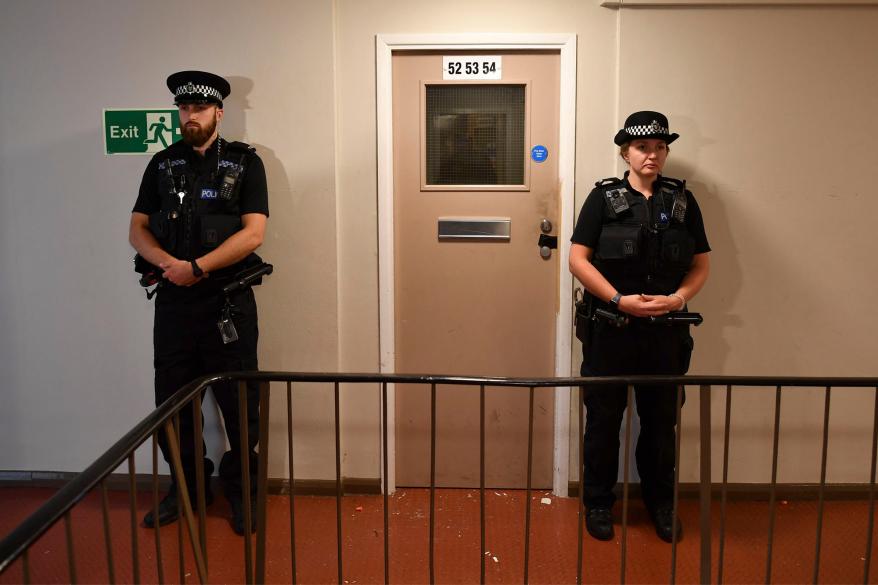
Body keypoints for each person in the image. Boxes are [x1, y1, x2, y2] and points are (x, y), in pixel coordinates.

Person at [128, 70, 269, 535]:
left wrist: (199, 267)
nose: (191, 116)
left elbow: (253, 233)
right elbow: (137, 230)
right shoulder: (162, 164)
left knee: (239, 407)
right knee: (173, 405)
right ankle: (186, 488)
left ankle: (242, 491)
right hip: (173, 307)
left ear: (219, 112)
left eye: (200, 109)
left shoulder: (246, 164)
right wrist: (170, 264)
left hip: (226, 305)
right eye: (184, 109)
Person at [569, 111, 710, 543]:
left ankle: (661, 505)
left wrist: (679, 298)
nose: (652, 155)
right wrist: (617, 299)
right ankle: (597, 503)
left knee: (660, 424)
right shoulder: (603, 199)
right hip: (611, 332)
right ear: (626, 152)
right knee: (603, 423)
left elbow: (701, 264)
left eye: (660, 147)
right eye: (643, 147)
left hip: (665, 336)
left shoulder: (682, 201)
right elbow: (577, 258)